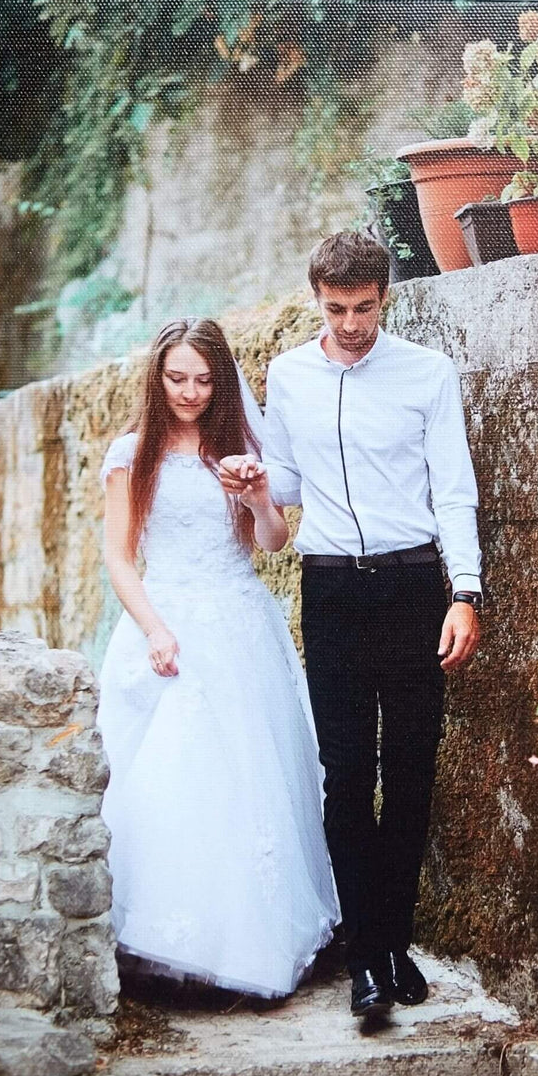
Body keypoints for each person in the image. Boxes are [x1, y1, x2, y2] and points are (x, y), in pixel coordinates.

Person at [219, 231, 487, 1019]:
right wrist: (254, 481)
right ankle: (365, 958)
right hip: (331, 587)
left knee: (409, 770)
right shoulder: (289, 375)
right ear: (317, 300)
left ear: (384, 297)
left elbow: (453, 490)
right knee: (344, 773)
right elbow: (290, 483)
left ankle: (396, 942)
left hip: (412, 586)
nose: (350, 324)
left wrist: (465, 593)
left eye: (364, 308)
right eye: (336, 309)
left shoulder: (427, 374)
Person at [95, 317, 340, 1000]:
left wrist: (258, 496)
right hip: (167, 623)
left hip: (239, 626)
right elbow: (120, 557)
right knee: (172, 777)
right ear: (156, 378)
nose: (190, 392)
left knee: (249, 782)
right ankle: (168, 941)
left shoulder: (237, 450)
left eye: (204, 380)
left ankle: (248, 944)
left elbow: (273, 542)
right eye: (177, 378)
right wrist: (154, 629)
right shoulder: (131, 455)